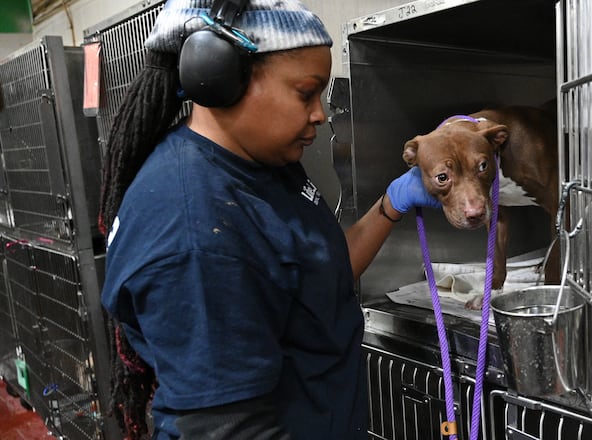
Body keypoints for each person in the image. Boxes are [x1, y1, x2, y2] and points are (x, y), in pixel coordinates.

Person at [97, 1, 439, 439]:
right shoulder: (194, 233)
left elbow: (316, 275)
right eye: (305, 92)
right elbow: (228, 430)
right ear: (222, 80)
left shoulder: (261, 164)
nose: (320, 113)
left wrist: (391, 204)